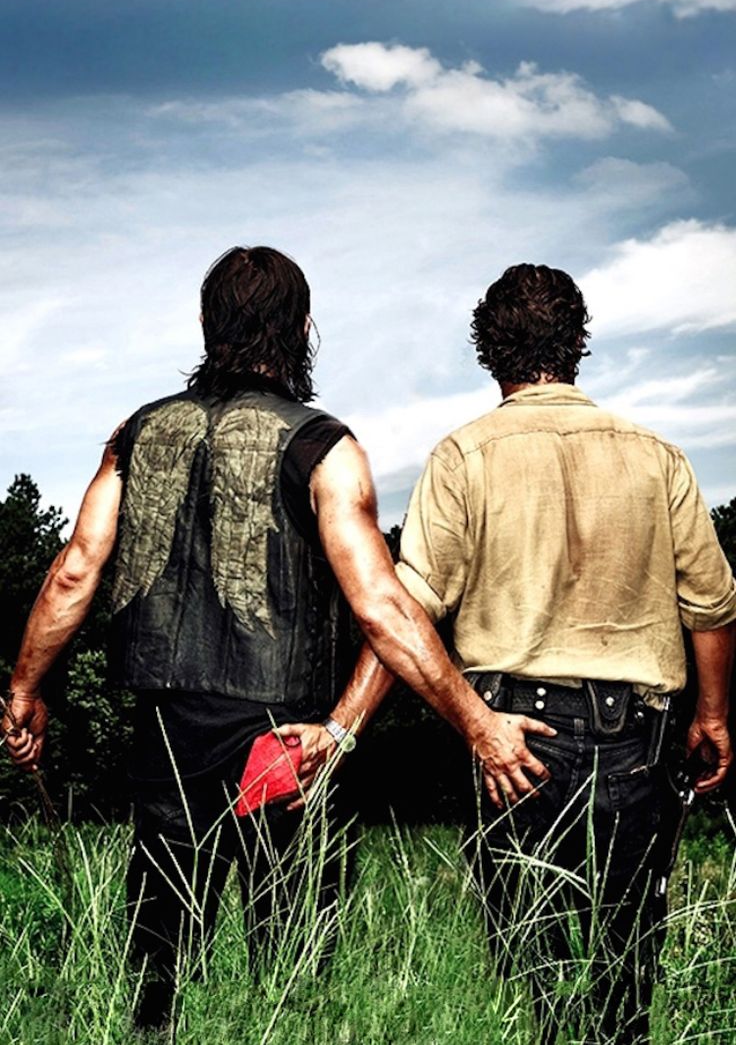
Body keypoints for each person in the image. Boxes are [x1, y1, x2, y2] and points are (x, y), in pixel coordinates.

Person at [3, 245, 554, 1033]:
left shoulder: (136, 434)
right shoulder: (325, 445)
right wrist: (480, 725)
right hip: (288, 747)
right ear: (302, 329)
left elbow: (74, 570)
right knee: (291, 985)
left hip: (169, 737)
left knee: (158, 978)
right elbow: (383, 606)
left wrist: (25, 689)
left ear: (206, 323)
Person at [395, 262, 736, 1044]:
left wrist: (473, 722)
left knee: (531, 981)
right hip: (636, 740)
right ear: (578, 342)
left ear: (489, 348)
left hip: (512, 741)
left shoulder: (462, 455)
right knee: (624, 975)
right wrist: (713, 714)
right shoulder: (657, 454)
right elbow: (714, 602)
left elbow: (407, 611)